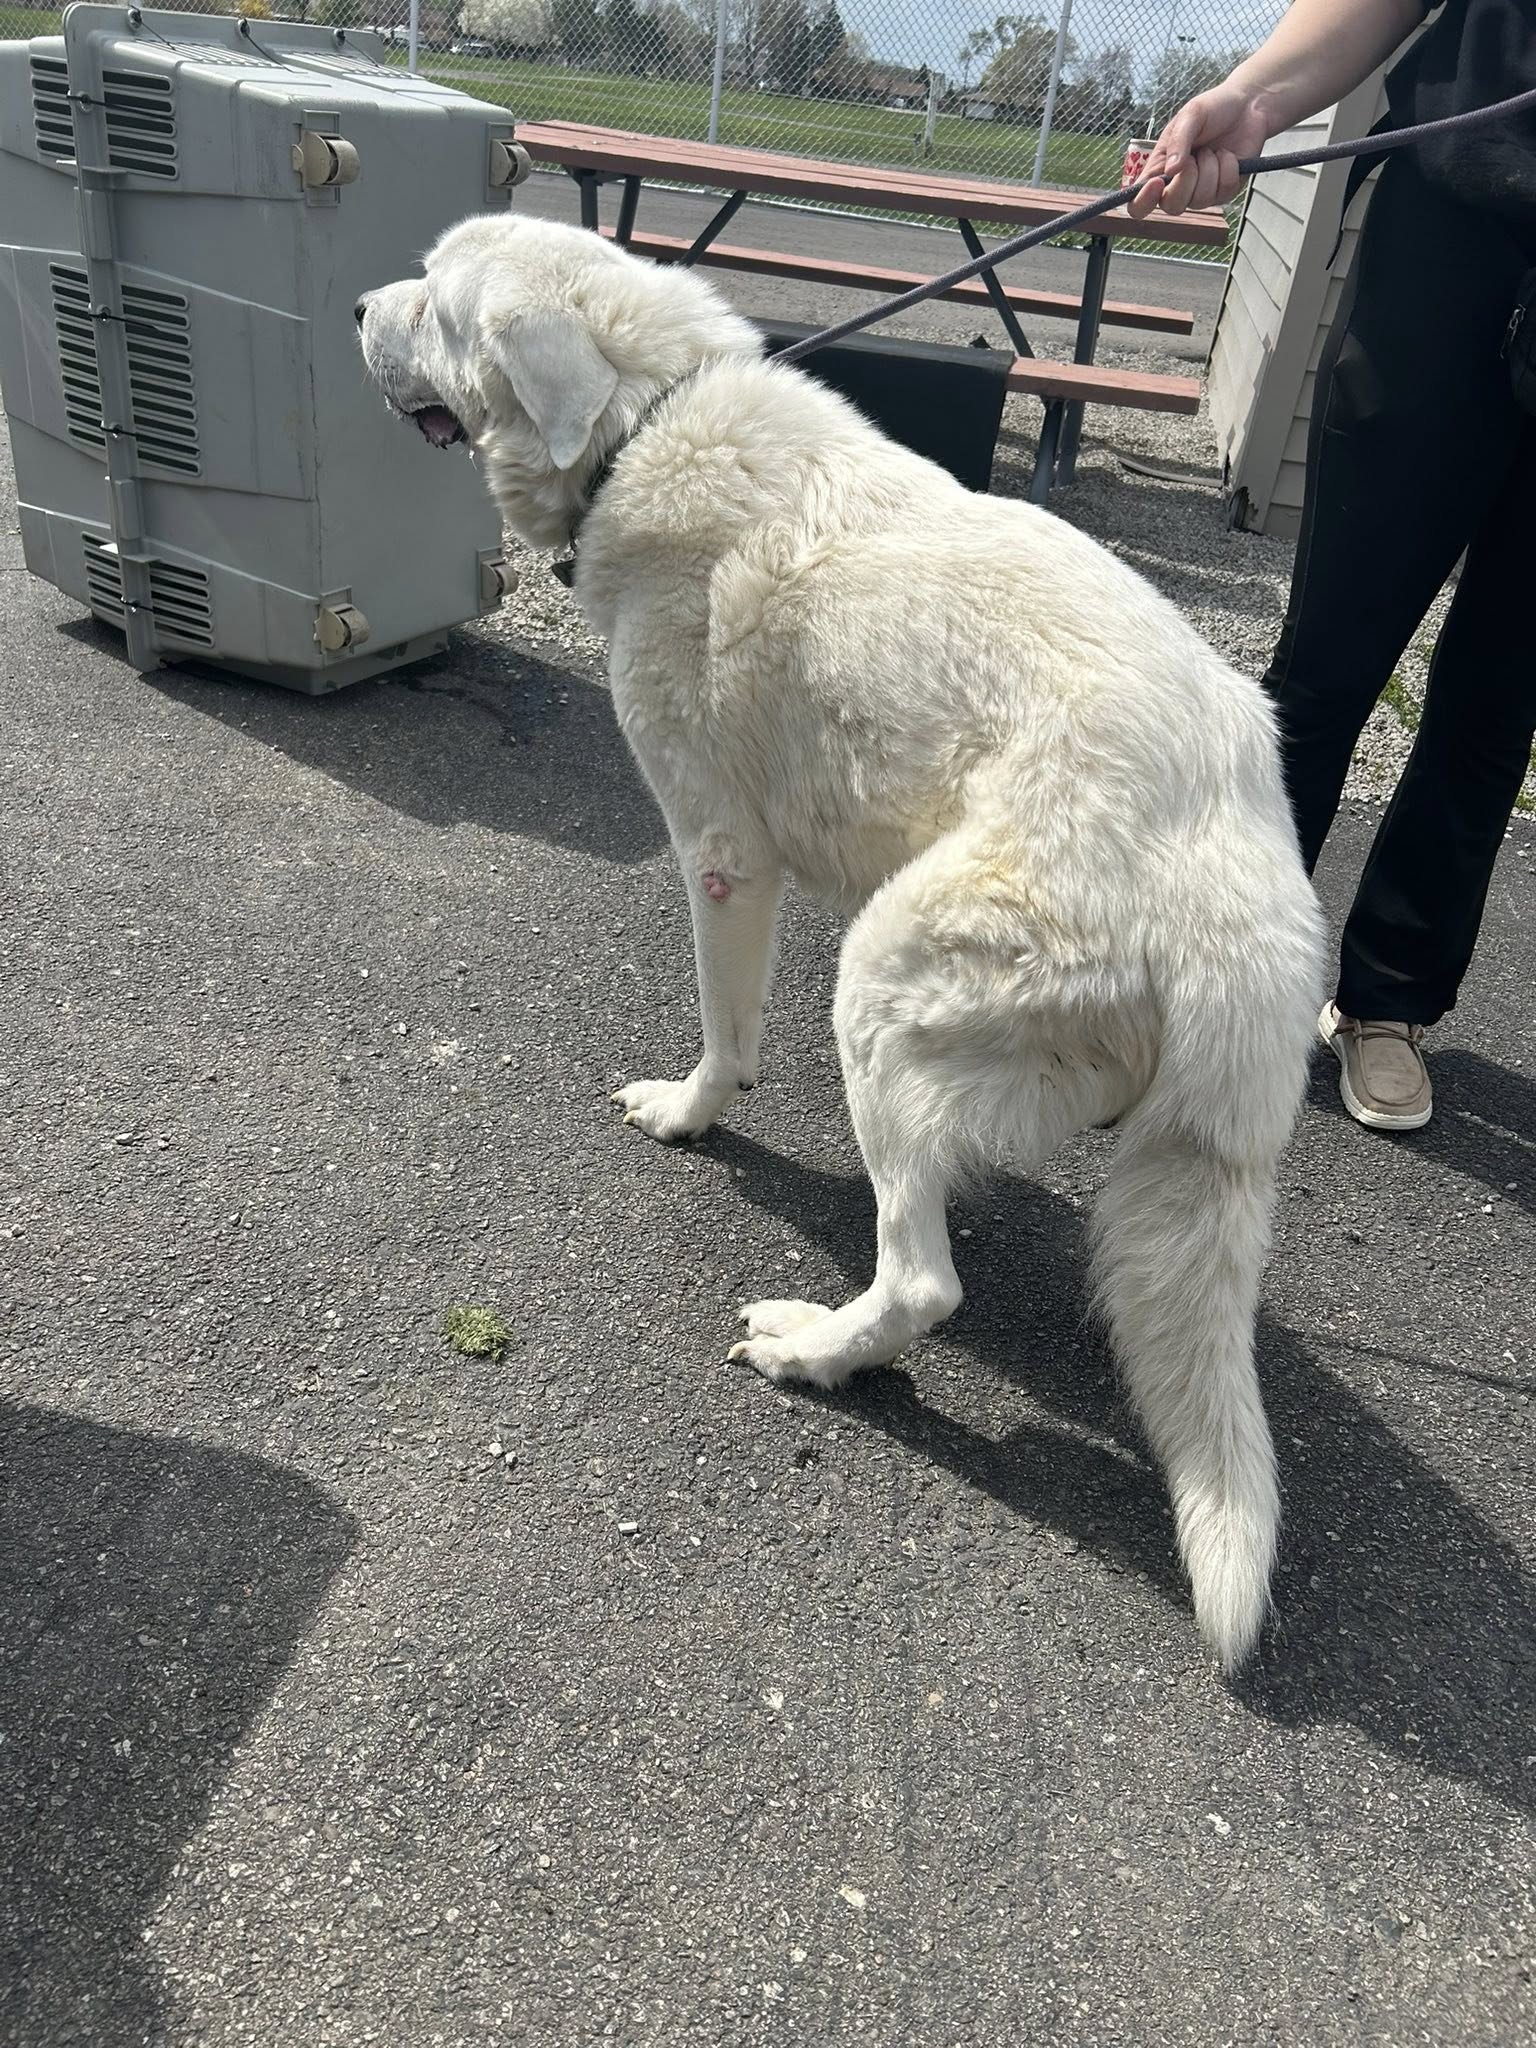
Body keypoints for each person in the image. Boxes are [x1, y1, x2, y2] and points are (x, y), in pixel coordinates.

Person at [1129, 0, 1536, 1132]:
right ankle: (1222, 978)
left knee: (1499, 694)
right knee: (1328, 659)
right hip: (1450, 241)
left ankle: (1387, 1000)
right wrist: (1252, 104)